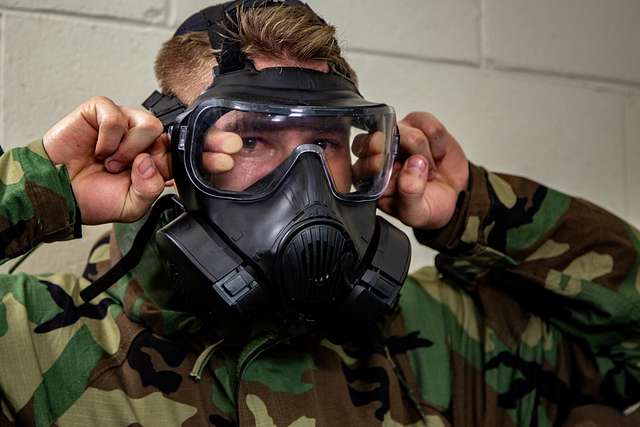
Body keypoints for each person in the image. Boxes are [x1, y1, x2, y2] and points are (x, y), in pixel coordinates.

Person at [0, 1, 638, 426]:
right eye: (250, 139)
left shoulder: (441, 338)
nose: (306, 185)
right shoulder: (32, 341)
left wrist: (477, 208)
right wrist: (40, 191)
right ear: (170, 152)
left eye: (329, 144)